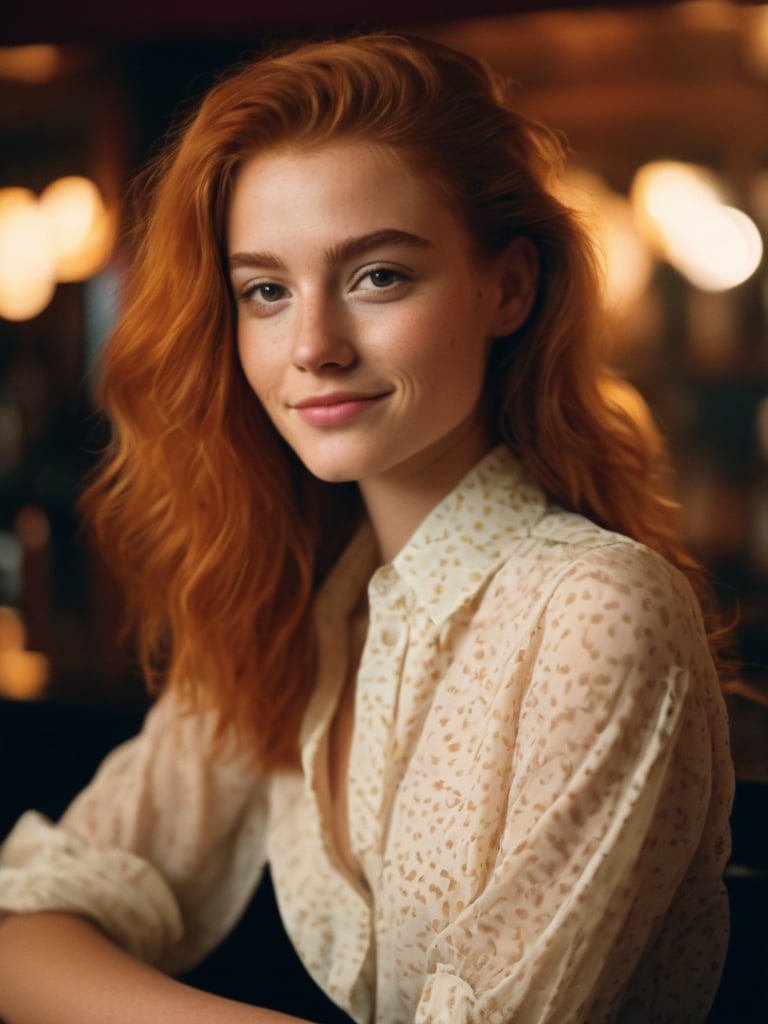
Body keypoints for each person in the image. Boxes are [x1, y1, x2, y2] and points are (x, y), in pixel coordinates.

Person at [0, 32, 733, 1024]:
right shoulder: (303, 604)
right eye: (266, 290)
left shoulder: (593, 607)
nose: (312, 346)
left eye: (377, 276)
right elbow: (23, 923)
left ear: (506, 286)